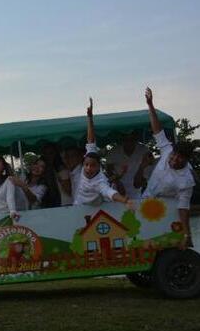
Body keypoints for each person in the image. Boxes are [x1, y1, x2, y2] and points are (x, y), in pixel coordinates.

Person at [142, 87, 195, 248]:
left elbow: (183, 208)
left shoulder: (187, 180)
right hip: (144, 200)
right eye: (174, 154)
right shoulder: (167, 149)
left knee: (159, 243)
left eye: (179, 157)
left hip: (163, 211)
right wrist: (150, 105)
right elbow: (157, 129)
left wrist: (187, 233)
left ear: (186, 160)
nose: (173, 158)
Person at [73, 98, 133, 208]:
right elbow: (91, 140)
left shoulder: (100, 182)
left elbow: (110, 192)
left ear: (98, 167)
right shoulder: (90, 155)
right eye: (86, 165)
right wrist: (90, 117)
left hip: (96, 211)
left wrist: (125, 200)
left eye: (92, 166)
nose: (88, 168)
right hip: (77, 208)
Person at [106, 131, 150, 199]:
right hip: (117, 189)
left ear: (136, 139)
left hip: (136, 191)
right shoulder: (114, 150)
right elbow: (108, 169)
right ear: (122, 140)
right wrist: (117, 182)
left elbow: (147, 167)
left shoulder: (143, 150)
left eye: (132, 139)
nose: (129, 142)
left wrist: (142, 181)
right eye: (126, 139)